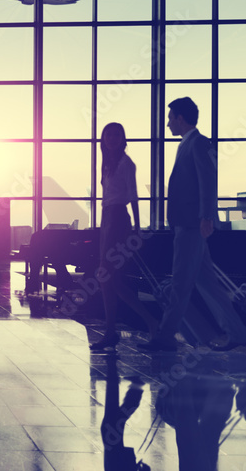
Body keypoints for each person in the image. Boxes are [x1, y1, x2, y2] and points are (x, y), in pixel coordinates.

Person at [140, 97, 246, 352]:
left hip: (191, 225)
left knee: (180, 283)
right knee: (208, 284)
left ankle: (165, 336)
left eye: (170, 118)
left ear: (180, 118)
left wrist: (206, 217)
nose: (168, 124)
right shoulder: (187, 144)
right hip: (188, 223)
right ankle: (239, 333)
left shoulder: (199, 143)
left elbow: (208, 180)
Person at [91, 122, 160, 351]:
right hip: (107, 219)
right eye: (108, 134)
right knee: (109, 280)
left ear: (123, 138)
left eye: (116, 134)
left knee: (107, 277)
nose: (111, 138)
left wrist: (137, 230)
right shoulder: (106, 163)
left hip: (119, 220)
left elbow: (133, 196)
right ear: (103, 138)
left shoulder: (126, 163)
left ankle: (147, 323)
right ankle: (113, 330)